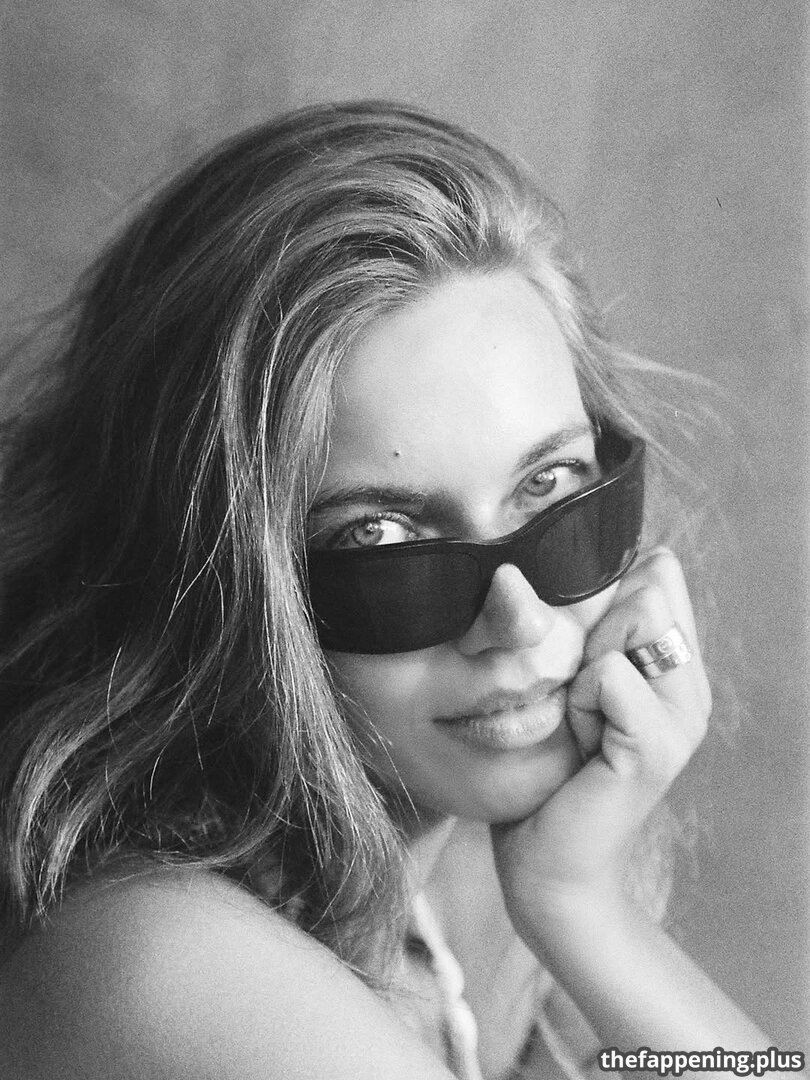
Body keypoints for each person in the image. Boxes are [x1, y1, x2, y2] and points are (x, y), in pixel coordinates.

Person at [0, 101, 791, 1080]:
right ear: (222, 584)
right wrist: (582, 913)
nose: (519, 622)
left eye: (551, 489)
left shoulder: (469, 879)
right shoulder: (169, 963)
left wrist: (579, 903)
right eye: (381, 539)